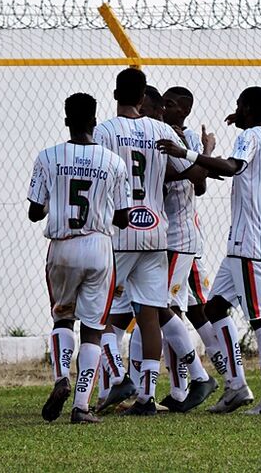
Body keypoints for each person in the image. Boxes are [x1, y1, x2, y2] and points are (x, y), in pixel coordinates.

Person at [157, 86, 261, 415]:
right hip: (247, 242)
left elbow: (232, 167)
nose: (234, 110)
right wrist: (212, 155)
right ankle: (235, 386)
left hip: (250, 241)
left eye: (238, 106)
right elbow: (242, 172)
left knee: (260, 318)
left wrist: (187, 152)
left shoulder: (250, 138)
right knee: (214, 308)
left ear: (246, 108)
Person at [93, 69, 214, 416]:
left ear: (116, 93)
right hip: (156, 233)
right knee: (150, 314)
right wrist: (204, 153)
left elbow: (98, 177)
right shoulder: (161, 131)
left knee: (100, 314)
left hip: (121, 232)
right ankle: (146, 395)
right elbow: (195, 176)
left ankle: (119, 379)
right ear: (143, 98)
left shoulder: (105, 132)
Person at [27, 92, 131, 424]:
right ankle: (81, 406)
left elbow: (34, 212)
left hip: (62, 247)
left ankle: (61, 378)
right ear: (94, 121)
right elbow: (124, 217)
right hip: (99, 248)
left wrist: (55, 202)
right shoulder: (114, 162)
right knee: (93, 329)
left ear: (67, 119)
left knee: (62, 319)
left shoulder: (48, 157)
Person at [156, 86, 221, 411]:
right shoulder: (164, 134)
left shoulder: (189, 139)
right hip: (177, 235)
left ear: (183, 110)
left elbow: (201, 182)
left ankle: (189, 384)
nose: (165, 108)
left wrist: (202, 153)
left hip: (178, 236)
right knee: (195, 310)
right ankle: (229, 381)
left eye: (171, 104)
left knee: (162, 308)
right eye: (163, 103)